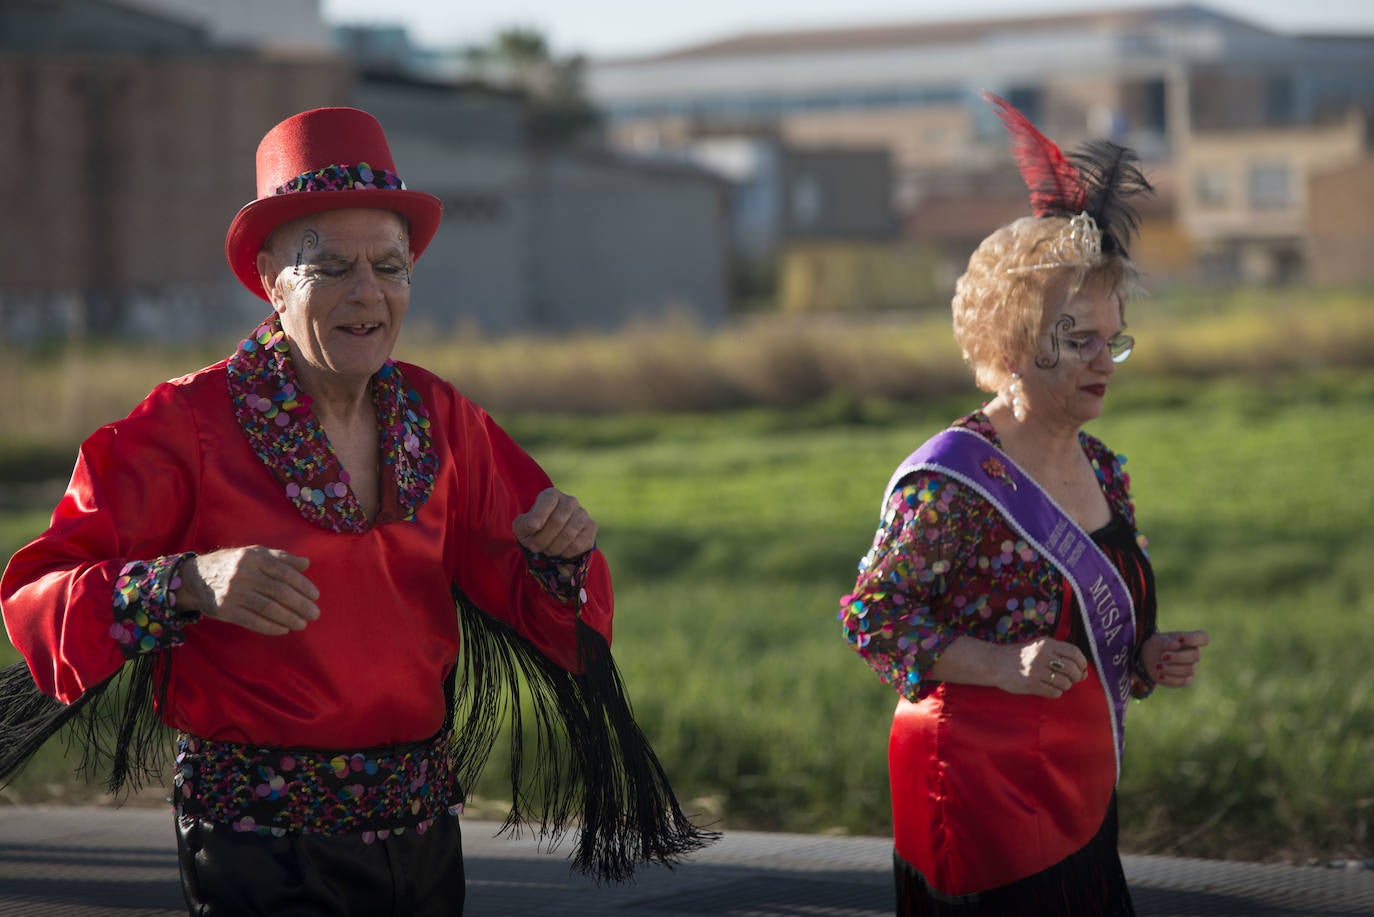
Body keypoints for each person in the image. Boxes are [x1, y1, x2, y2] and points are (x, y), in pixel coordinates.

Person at [0, 106, 709, 915]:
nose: (368, 293)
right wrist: (188, 580)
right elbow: (41, 590)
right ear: (271, 279)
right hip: (255, 847)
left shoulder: (444, 421)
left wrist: (560, 554)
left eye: (391, 267)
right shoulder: (184, 426)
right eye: (331, 267)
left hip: (424, 831)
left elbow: (544, 603)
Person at [837, 93, 1209, 916]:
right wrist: (1003, 665)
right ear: (1008, 345)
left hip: (1080, 787)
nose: (1101, 359)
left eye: (1111, 338)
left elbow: (1094, 625)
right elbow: (873, 617)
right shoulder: (952, 480)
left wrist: (1146, 658)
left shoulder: (1105, 468)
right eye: (1075, 339)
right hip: (976, 796)